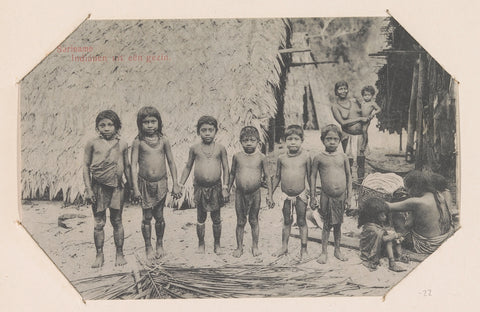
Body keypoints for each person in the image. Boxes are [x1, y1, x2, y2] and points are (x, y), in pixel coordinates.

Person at [131, 106, 181, 260]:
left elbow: (171, 162)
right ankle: (148, 247)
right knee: (146, 217)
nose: (150, 125)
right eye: (146, 122)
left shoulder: (164, 140)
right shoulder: (138, 142)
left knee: (159, 216)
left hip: (161, 183)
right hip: (144, 184)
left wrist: (176, 183)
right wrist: (135, 188)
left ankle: (159, 243)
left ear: (159, 122)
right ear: (140, 124)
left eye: (153, 121)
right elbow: (133, 165)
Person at [83, 110, 130, 268]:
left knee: (117, 221)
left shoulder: (123, 144)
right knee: (98, 223)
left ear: (117, 127)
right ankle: (99, 254)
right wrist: (89, 189)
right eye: (102, 125)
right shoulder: (92, 143)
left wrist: (132, 186)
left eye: (110, 124)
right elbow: (86, 166)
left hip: (117, 187)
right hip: (98, 187)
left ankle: (119, 253)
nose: (106, 128)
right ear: (97, 127)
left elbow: (127, 166)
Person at [179, 116, 229, 254]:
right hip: (200, 188)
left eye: (210, 130)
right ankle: (201, 244)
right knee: (200, 217)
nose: (207, 133)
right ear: (198, 132)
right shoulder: (194, 148)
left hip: (216, 188)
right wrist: (180, 184)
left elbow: (226, 168)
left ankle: (217, 244)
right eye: (203, 130)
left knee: (216, 217)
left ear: (216, 131)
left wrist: (225, 187)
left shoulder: (220, 149)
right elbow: (188, 167)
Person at [227, 126, 271, 258]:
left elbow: (268, 176)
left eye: (252, 140)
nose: (249, 143)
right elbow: (232, 174)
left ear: (258, 142)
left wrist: (270, 194)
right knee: (240, 221)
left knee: (253, 220)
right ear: (240, 142)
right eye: (245, 140)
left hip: (255, 194)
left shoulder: (261, 157)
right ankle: (239, 247)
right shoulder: (237, 157)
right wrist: (227, 190)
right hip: (240, 194)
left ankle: (255, 246)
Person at [310, 124, 351, 264]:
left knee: (338, 224)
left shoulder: (343, 156)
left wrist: (349, 197)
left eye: (335, 139)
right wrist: (313, 196)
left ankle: (337, 250)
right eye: (328, 139)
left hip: (340, 196)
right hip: (326, 196)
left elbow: (349, 176)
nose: (332, 142)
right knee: (326, 224)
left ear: (339, 140)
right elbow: (313, 176)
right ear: (322, 140)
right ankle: (323, 252)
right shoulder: (318, 158)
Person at [269, 125, 311, 260]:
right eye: (289, 139)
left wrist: (314, 196)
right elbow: (277, 177)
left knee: (301, 221)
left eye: (296, 139)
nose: (293, 142)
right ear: (284, 141)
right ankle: (284, 247)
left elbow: (310, 177)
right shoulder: (282, 158)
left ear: (302, 140)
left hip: (300, 194)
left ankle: (303, 249)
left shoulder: (306, 157)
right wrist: (270, 194)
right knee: (287, 220)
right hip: (285, 195)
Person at [386, 171, 454, 254]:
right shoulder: (438, 194)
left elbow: (388, 207)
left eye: (407, 189)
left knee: (397, 213)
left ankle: (400, 237)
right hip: (444, 239)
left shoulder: (416, 202)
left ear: (414, 188)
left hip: (426, 246)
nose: (407, 192)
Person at [331, 81, 369, 179]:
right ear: (336, 91)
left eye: (345, 88)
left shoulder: (355, 102)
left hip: (360, 134)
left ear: (347, 89)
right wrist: (360, 119)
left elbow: (365, 112)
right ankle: (349, 182)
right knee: (349, 160)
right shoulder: (335, 107)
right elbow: (343, 123)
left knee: (361, 159)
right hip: (347, 135)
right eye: (340, 89)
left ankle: (360, 181)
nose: (343, 91)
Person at [358, 197, 408, 272]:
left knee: (394, 238)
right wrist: (395, 236)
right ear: (375, 216)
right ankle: (392, 264)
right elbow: (383, 238)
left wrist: (396, 236)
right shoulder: (371, 228)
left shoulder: (376, 225)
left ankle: (399, 256)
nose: (385, 217)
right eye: (382, 215)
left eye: (385, 214)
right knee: (389, 240)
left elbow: (382, 235)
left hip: (377, 246)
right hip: (369, 250)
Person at [358, 86, 381, 157]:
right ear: (362, 96)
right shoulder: (362, 102)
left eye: (369, 95)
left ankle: (364, 143)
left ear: (372, 95)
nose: (367, 97)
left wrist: (373, 113)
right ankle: (361, 142)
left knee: (364, 130)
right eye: (365, 95)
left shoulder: (372, 103)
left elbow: (379, 109)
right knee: (359, 131)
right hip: (360, 118)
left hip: (367, 119)